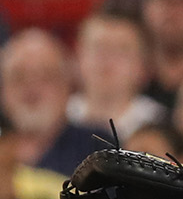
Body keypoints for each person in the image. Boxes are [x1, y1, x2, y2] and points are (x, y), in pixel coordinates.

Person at [0, 30, 103, 176]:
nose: (31, 88)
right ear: (0, 89)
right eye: (19, 77)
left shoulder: (97, 149)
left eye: (45, 77)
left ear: (68, 87)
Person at [67, 13, 163, 141]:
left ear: (143, 64)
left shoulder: (159, 123)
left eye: (120, 50)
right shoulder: (58, 119)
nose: (107, 59)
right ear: (78, 56)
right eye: (98, 47)